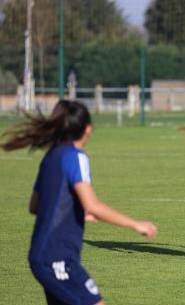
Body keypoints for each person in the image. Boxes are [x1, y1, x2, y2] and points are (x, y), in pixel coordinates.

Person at [0, 100, 157, 305]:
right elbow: (93, 205)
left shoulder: (51, 156)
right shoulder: (76, 157)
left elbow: (35, 206)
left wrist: (74, 211)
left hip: (40, 254)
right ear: (87, 129)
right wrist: (135, 224)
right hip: (57, 257)